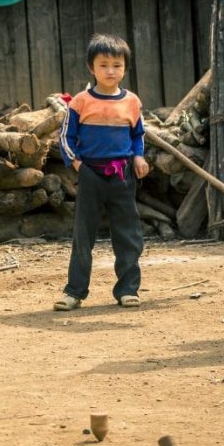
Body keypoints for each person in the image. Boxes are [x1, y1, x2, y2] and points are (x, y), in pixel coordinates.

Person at [54, 33, 150, 311]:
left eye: (117, 65)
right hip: (91, 174)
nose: (110, 71)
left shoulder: (132, 101)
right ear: (91, 67)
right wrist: (78, 165)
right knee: (83, 235)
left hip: (122, 175)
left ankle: (128, 289)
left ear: (125, 68)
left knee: (128, 232)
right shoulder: (80, 102)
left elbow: (138, 135)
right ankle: (74, 292)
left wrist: (139, 157)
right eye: (104, 64)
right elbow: (66, 138)